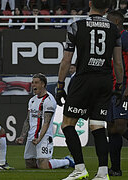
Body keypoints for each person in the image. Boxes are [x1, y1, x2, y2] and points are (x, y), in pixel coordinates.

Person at [56, 0, 124, 179]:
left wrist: (60, 86)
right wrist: (119, 86)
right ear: (107, 9)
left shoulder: (76, 26)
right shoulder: (114, 29)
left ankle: (79, 168)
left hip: (84, 79)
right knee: (97, 126)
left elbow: (66, 60)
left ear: (90, 3)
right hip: (105, 80)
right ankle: (102, 172)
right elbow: (118, 62)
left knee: (67, 124)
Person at [15, 73, 75, 169]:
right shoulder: (32, 100)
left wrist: (39, 138)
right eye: (32, 83)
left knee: (43, 165)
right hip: (31, 136)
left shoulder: (49, 100)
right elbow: (28, 120)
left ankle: (67, 161)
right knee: (30, 164)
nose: (33, 85)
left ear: (43, 84)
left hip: (44, 137)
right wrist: (22, 136)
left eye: (36, 83)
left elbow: (46, 122)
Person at [106, 10, 128, 177]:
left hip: (124, 88)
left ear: (116, 22)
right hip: (111, 90)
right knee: (112, 129)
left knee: (120, 126)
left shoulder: (125, 37)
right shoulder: (110, 40)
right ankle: (115, 169)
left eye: (108, 21)